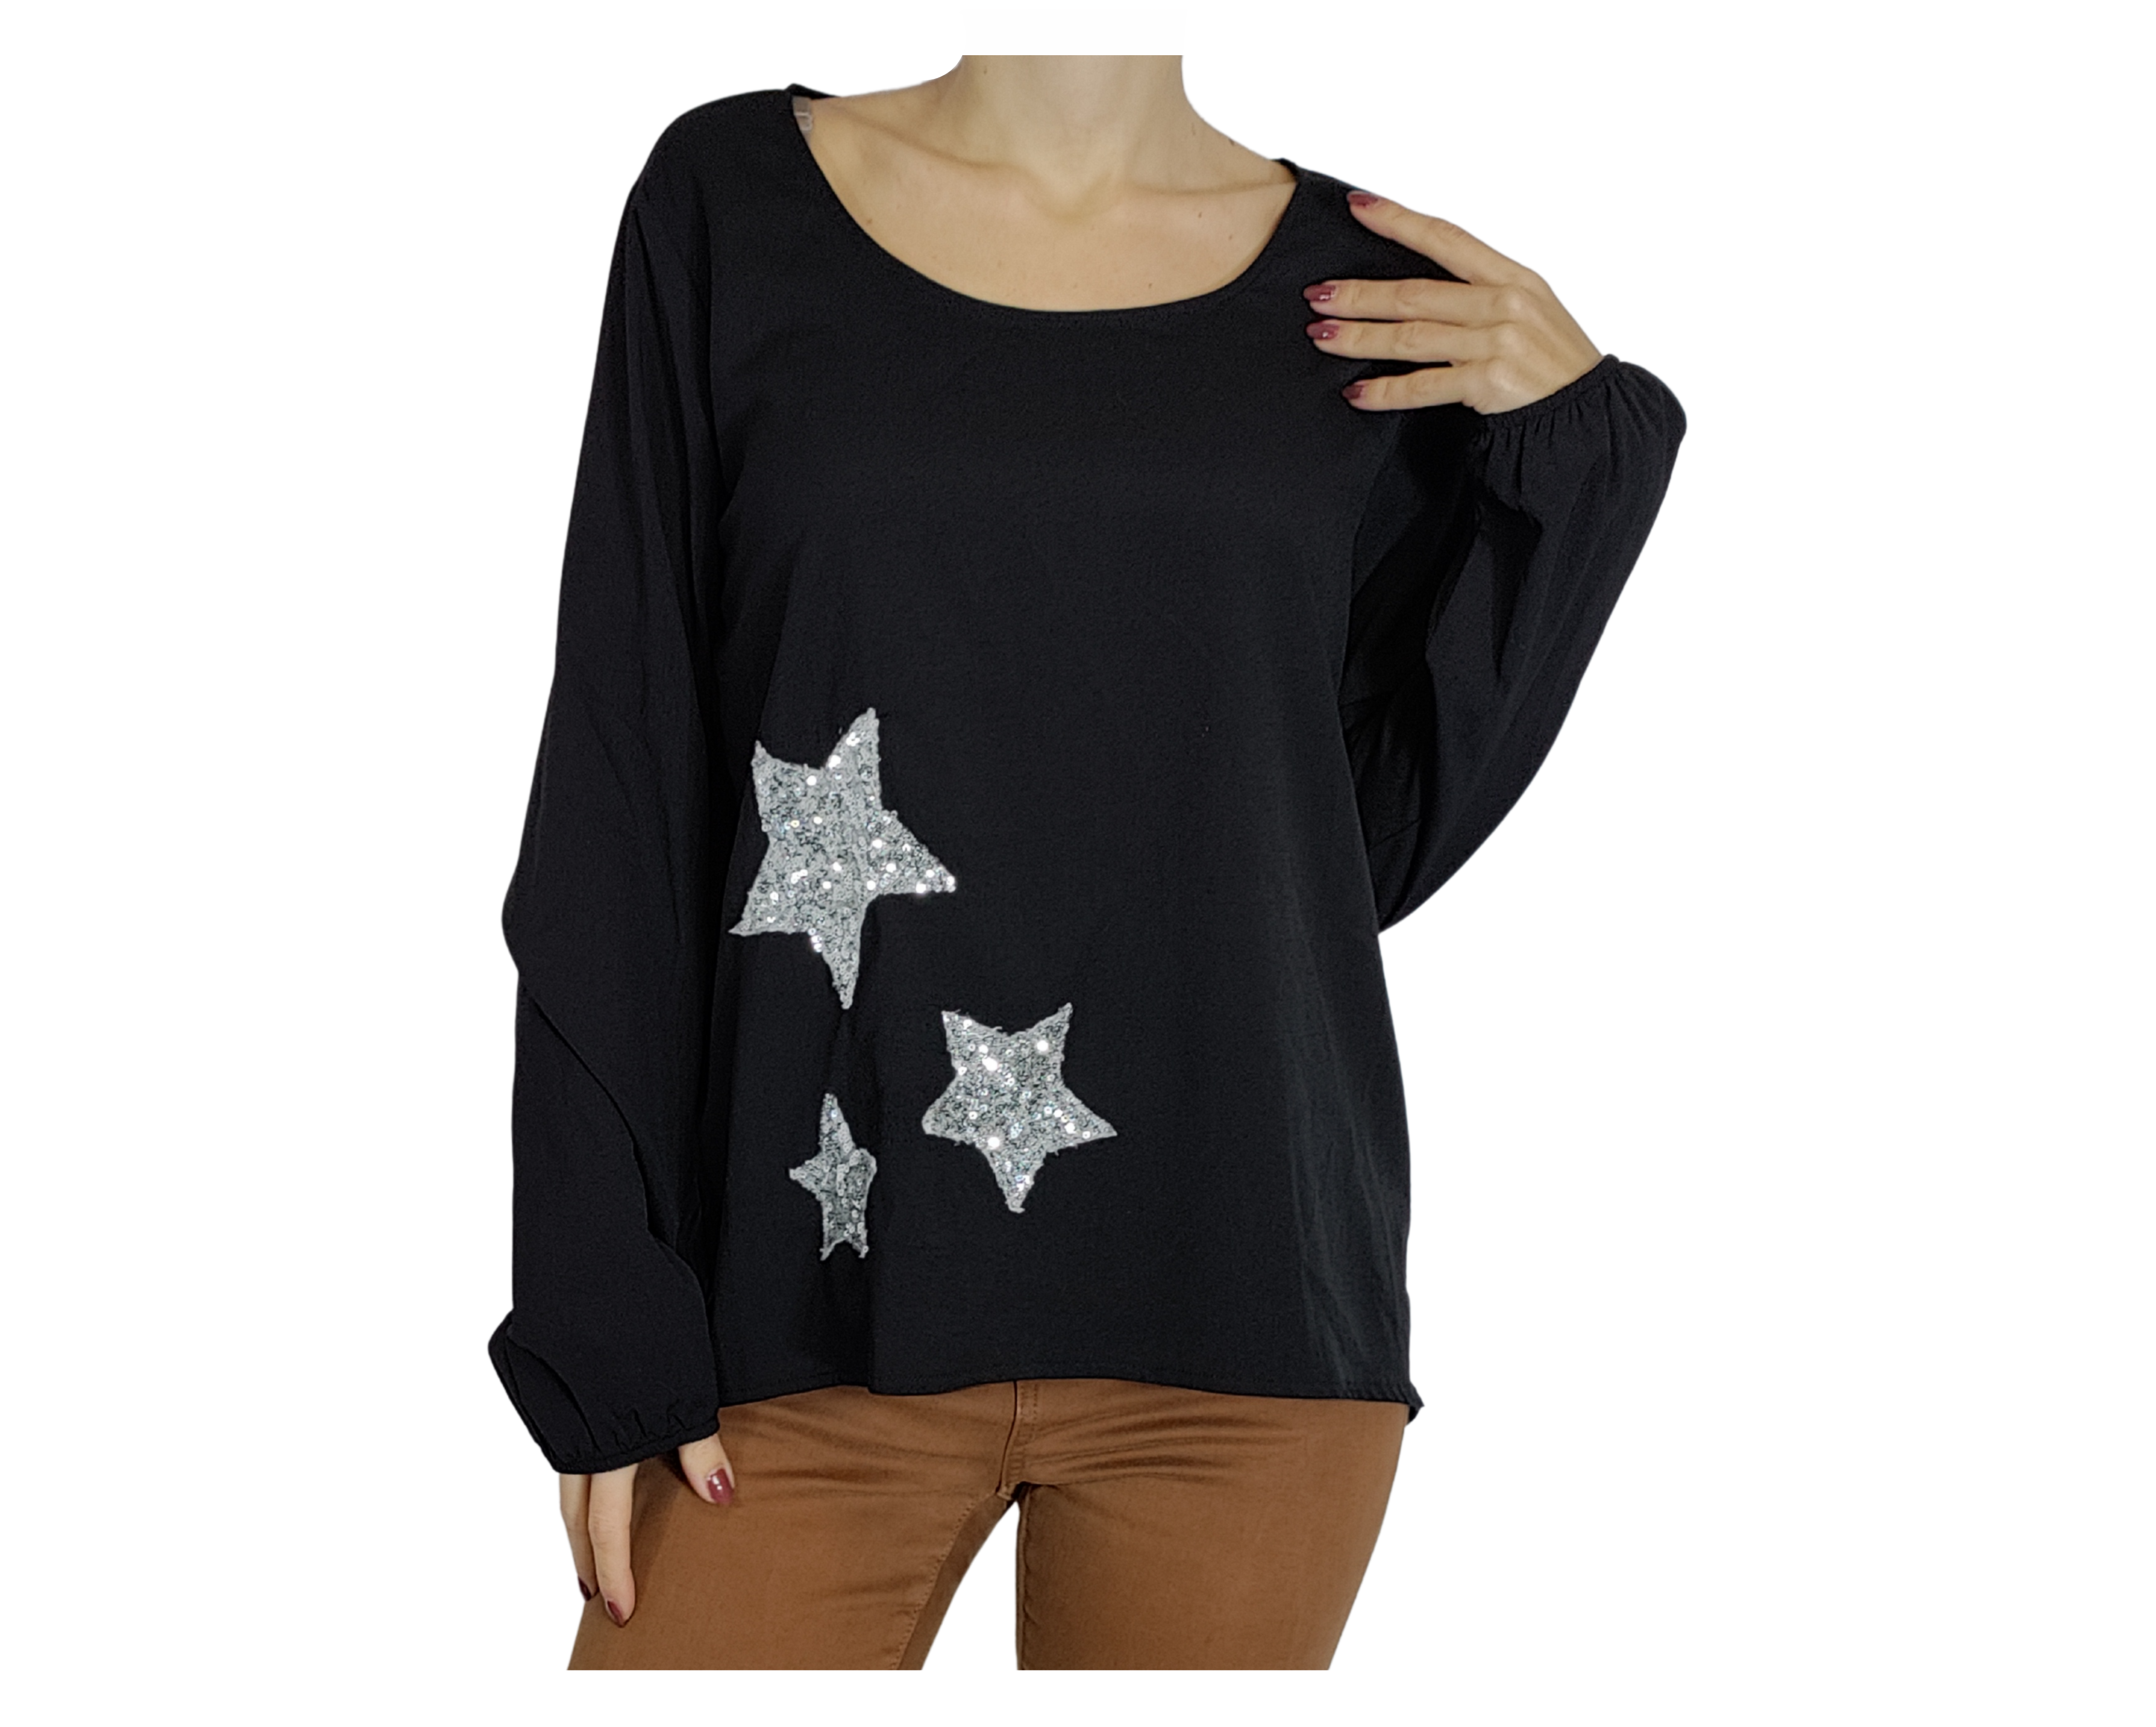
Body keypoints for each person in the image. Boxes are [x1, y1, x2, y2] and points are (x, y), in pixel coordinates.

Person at [489, 55, 1685, 1669]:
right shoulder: (732, 203)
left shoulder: (1370, 303)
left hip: (1240, 1319)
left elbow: (1355, 854)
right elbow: (621, 775)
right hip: (804, 1311)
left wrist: (1578, 459)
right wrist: (599, 1301)